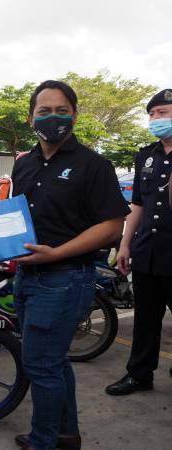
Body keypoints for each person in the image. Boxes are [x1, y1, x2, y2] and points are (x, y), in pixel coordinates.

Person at [10, 80, 129, 450]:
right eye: (44, 111)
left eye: (62, 111)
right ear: (31, 118)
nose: (53, 118)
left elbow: (112, 226)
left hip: (64, 278)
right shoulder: (24, 165)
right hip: (26, 275)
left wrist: (57, 253)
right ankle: (66, 434)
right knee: (54, 362)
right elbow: (19, 216)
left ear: (74, 116)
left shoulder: (93, 165)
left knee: (41, 366)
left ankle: (44, 441)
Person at [106, 89, 172, 396]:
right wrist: (125, 244)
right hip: (147, 251)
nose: (157, 118)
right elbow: (138, 206)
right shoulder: (146, 155)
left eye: (164, 112)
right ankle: (139, 374)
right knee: (146, 319)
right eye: (153, 113)